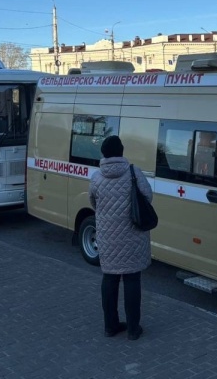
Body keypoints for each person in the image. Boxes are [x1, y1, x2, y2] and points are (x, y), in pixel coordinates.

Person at [88, 135, 152, 341]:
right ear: (122, 151)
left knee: (110, 278)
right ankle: (133, 329)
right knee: (132, 279)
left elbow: (93, 202)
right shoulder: (134, 172)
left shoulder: (97, 178)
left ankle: (110, 326)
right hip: (133, 236)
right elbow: (148, 197)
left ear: (104, 154)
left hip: (107, 237)